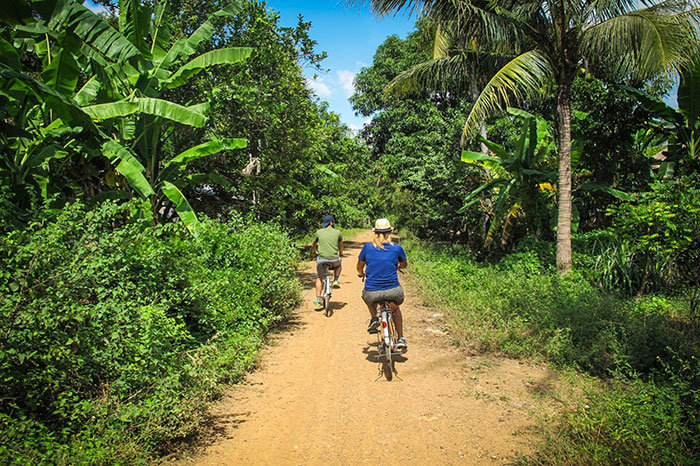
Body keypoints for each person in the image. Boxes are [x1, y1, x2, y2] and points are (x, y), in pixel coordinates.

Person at [356, 218, 408, 350]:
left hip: (372, 292)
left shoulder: (367, 247)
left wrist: (362, 274)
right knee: (395, 309)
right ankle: (401, 338)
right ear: (390, 232)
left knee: (368, 298)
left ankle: (374, 318)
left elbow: (359, 267)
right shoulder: (397, 248)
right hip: (393, 291)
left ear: (375, 233)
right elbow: (404, 265)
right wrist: (397, 266)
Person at [312, 215, 344, 307]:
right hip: (334, 259)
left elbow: (314, 244)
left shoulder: (319, 232)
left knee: (319, 278)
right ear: (331, 223)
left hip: (321, 259)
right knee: (338, 265)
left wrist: (315, 251)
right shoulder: (338, 232)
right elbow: (341, 245)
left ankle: (318, 299)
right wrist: (340, 253)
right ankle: (336, 280)